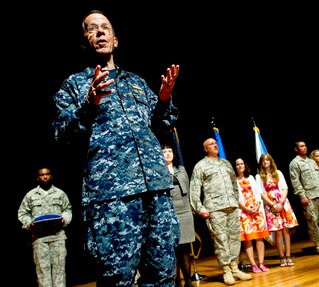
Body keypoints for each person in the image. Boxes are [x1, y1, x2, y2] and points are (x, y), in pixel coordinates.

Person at [52, 10, 181, 286]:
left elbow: (161, 125)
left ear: (116, 40)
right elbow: (62, 135)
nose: (100, 32)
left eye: (105, 27)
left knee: (163, 275)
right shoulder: (73, 86)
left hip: (156, 191)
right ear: (84, 42)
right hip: (113, 199)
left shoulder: (136, 82)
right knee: (116, 279)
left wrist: (164, 99)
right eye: (92, 29)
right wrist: (90, 104)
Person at [189, 138, 252, 285]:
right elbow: (194, 188)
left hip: (231, 206)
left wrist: (236, 201)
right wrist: (200, 208)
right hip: (215, 208)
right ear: (205, 148)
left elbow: (233, 184)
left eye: (215, 143)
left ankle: (235, 268)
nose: (215, 145)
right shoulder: (201, 166)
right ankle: (226, 270)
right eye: (211, 144)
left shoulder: (226, 163)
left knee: (234, 238)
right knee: (221, 240)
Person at [18, 167, 73, 287]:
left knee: (59, 272)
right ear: (38, 178)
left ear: (51, 176)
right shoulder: (31, 195)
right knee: (43, 273)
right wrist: (29, 223)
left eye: (47, 174)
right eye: (42, 175)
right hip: (40, 239)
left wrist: (64, 219)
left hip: (57, 237)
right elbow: (22, 213)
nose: (45, 177)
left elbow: (68, 210)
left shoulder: (60, 193)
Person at [289, 141, 319, 255]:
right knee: (313, 220)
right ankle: (318, 243)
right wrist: (302, 196)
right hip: (308, 195)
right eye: (301, 146)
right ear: (296, 149)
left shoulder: (311, 161)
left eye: (305, 145)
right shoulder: (295, 163)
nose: (304, 147)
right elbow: (295, 181)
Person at [255, 153, 299, 266]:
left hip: (282, 203)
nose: (265, 162)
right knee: (278, 232)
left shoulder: (278, 173)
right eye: (263, 160)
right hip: (270, 205)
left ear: (271, 161)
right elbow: (261, 193)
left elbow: (285, 188)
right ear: (261, 163)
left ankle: (288, 255)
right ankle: (281, 257)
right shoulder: (259, 176)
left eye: (267, 160)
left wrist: (280, 203)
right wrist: (272, 205)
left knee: (285, 230)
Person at [162, 144, 195, 287]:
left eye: (169, 151)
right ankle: (176, 282)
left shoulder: (181, 170)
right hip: (169, 212)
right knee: (173, 249)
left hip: (185, 212)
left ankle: (188, 280)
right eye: (164, 152)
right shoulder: (159, 170)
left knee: (185, 248)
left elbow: (188, 188)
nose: (168, 154)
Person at [234, 157, 270, 273]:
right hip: (244, 212)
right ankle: (253, 264)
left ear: (245, 165)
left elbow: (259, 194)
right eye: (238, 164)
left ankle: (261, 263)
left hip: (256, 210)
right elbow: (235, 198)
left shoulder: (251, 178)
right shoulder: (234, 181)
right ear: (235, 167)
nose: (240, 166)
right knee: (248, 239)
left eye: (242, 163)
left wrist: (257, 204)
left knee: (260, 238)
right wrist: (246, 209)